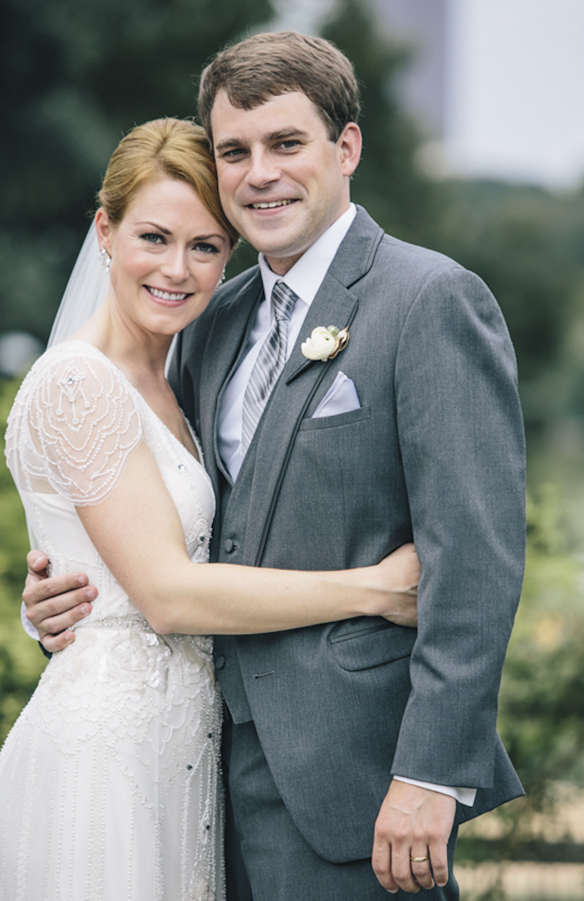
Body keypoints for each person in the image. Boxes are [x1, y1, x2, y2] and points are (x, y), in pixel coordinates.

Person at [22, 31, 527, 901]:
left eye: (286, 144)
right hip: (197, 783)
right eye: (235, 151)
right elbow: (165, 530)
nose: (260, 172)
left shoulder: (429, 299)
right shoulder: (210, 320)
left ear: (346, 147)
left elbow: (475, 559)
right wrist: (66, 593)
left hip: (362, 792)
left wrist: (432, 775)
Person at [0, 116, 421, 901]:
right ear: (105, 230)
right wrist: (377, 588)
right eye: (154, 237)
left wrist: (58, 600)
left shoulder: (182, 373)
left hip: (187, 755)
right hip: (107, 759)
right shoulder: (76, 382)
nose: (178, 269)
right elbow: (167, 594)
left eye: (206, 246)